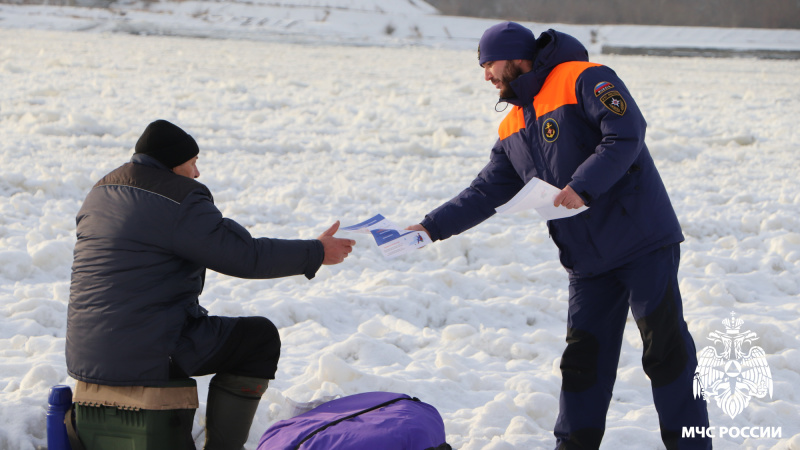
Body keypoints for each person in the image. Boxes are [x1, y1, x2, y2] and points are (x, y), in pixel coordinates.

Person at [406, 22, 710, 450]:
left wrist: (582, 184)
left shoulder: (583, 77)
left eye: (489, 63)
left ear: (515, 56)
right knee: (582, 362)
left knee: (666, 352)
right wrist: (430, 227)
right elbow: (486, 191)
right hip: (587, 261)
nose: (486, 75)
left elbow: (626, 132)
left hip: (641, 240)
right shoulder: (513, 125)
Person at [67, 119, 355, 450]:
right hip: (149, 349)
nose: (197, 173)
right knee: (258, 339)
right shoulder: (177, 198)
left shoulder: (101, 190)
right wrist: (316, 251)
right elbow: (245, 257)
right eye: (193, 162)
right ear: (174, 163)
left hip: (87, 351)